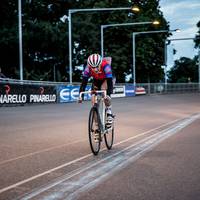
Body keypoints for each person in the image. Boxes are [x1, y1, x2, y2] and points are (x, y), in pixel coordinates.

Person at [79, 53, 114, 127]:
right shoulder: (87, 68)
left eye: (97, 67)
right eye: (93, 67)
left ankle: (109, 111)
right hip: (96, 80)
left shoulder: (106, 66)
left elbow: (110, 83)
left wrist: (108, 94)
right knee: (93, 100)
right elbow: (84, 82)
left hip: (106, 79)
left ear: (100, 63)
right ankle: (97, 126)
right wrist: (81, 95)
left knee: (104, 91)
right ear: (89, 65)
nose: (95, 69)